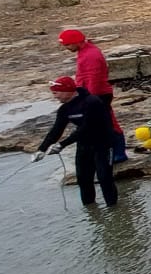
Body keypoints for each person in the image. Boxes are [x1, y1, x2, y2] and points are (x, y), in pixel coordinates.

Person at [37, 76, 120, 207]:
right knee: (83, 180)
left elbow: (86, 128)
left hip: (103, 143)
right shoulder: (65, 109)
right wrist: (41, 150)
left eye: (56, 92)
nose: (55, 96)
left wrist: (62, 145)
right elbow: (56, 130)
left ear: (67, 90)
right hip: (84, 145)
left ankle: (114, 210)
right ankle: (91, 212)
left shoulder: (92, 102)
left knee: (104, 178)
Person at [59, 28, 128, 162]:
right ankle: (113, 151)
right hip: (93, 93)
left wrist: (89, 99)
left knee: (108, 122)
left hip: (98, 94)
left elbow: (93, 79)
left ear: (76, 42)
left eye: (67, 44)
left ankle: (119, 152)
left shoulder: (91, 55)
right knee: (103, 122)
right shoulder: (85, 51)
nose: (66, 48)